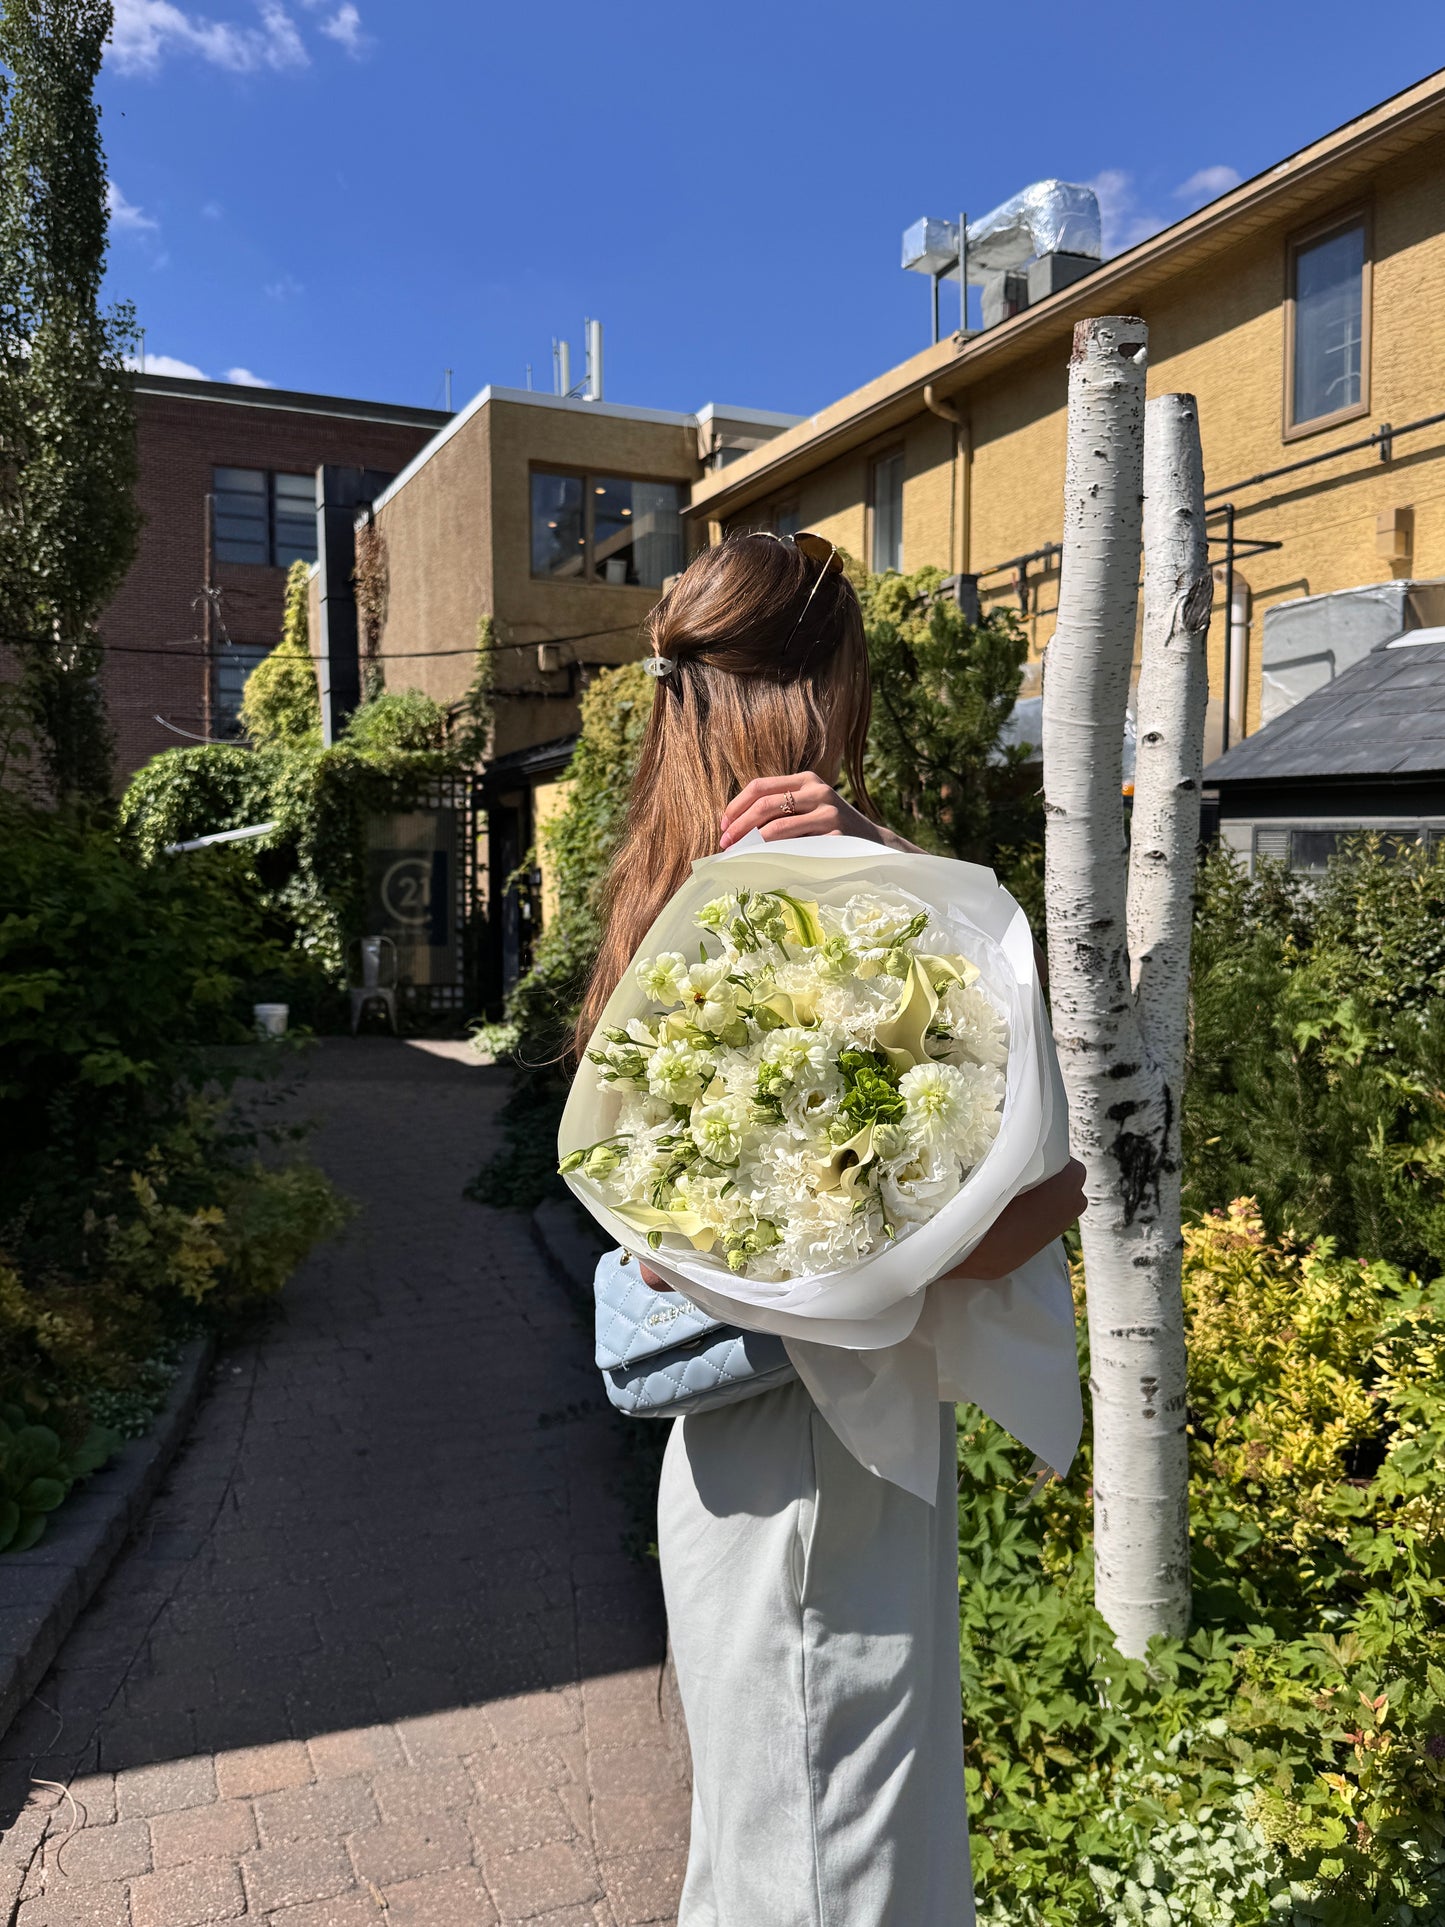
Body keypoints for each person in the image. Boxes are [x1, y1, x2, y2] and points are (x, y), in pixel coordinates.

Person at [575, 532, 1086, 1926]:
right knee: (832, 1856)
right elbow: (949, 1232)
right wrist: (1083, 1181)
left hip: (739, 1443)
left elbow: (703, 1221)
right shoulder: (831, 897)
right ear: (828, 684)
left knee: (766, 1840)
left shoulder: (673, 885)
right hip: (831, 1439)